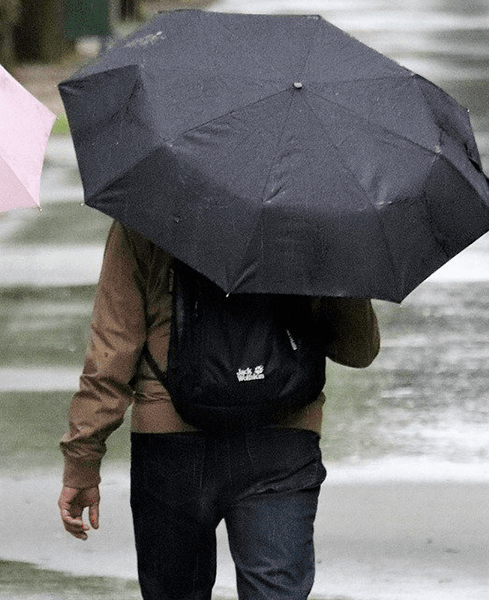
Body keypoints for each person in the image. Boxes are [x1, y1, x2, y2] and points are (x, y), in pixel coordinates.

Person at [58, 222, 380, 600]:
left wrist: (83, 461)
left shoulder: (145, 213)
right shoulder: (311, 214)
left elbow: (112, 351)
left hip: (172, 442)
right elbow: (359, 350)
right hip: (283, 438)